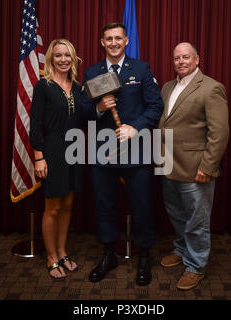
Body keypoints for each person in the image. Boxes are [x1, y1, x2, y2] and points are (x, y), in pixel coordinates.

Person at [81, 22, 164, 286]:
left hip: (136, 150)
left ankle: (144, 257)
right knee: (104, 206)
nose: (114, 42)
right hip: (103, 152)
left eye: (118, 38)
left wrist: (134, 127)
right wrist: (99, 108)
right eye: (109, 39)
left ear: (126, 41)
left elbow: (155, 106)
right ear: (102, 42)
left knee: (142, 205)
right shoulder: (92, 72)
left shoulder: (141, 69)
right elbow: (83, 112)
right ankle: (108, 254)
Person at [158, 42, 229, 290]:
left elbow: (219, 133)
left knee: (197, 219)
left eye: (186, 57)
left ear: (197, 59)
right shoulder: (167, 87)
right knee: (177, 214)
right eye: (176, 58)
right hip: (167, 165)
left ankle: (196, 266)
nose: (181, 62)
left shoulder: (211, 88)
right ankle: (182, 250)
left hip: (195, 168)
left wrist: (207, 167)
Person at [29, 39, 83, 280]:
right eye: (58, 55)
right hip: (52, 150)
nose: (63, 59)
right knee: (53, 207)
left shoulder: (79, 87)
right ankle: (51, 257)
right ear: (51, 59)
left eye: (67, 55)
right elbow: (34, 126)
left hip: (76, 149)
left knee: (68, 204)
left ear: (73, 58)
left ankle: (62, 251)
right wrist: (39, 157)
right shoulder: (44, 86)